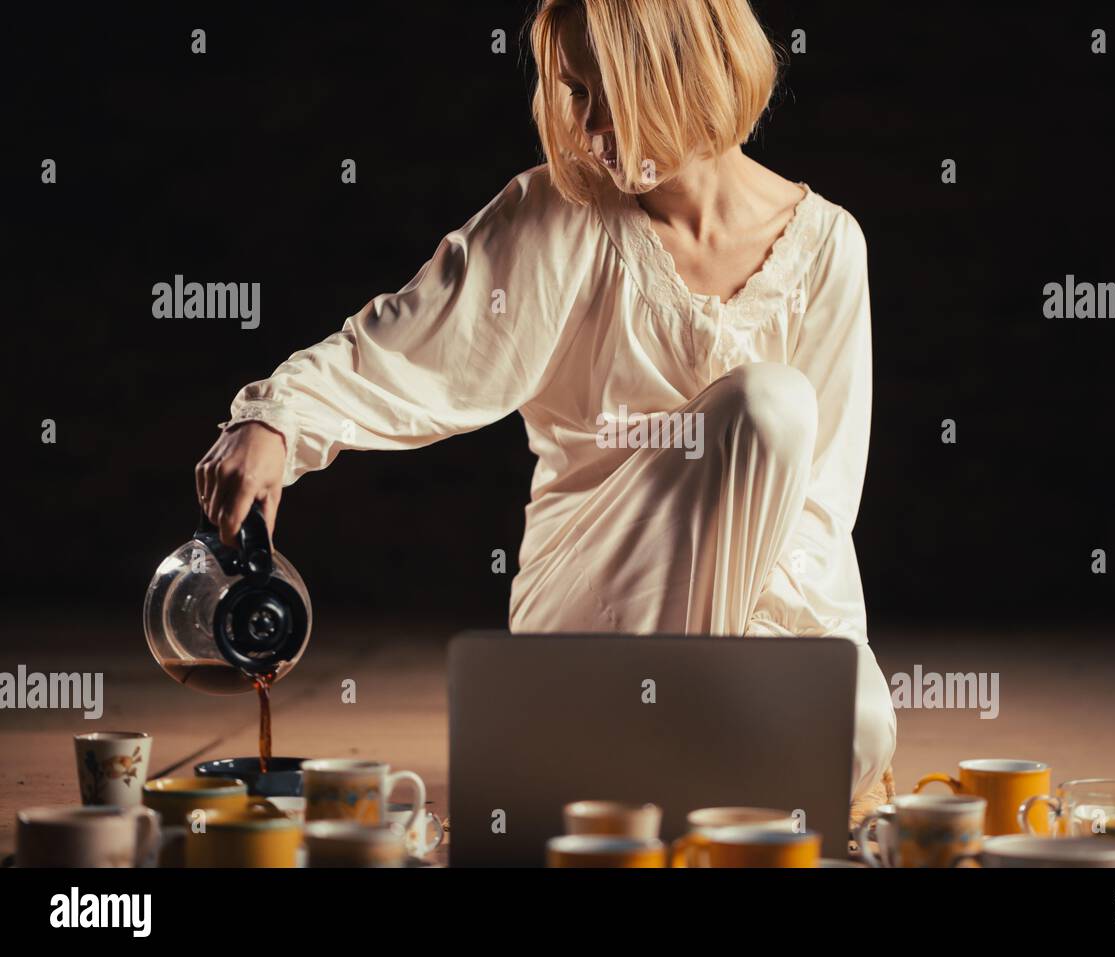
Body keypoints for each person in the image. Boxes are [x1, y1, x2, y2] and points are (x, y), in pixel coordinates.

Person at [194, 0, 896, 828]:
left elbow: (818, 517)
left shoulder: (828, 248)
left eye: (607, 91)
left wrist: (799, 675)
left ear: (685, 70)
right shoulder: (560, 215)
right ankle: (671, 775)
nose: (590, 125)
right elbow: (397, 347)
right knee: (765, 404)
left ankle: (653, 768)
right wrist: (274, 420)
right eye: (575, 92)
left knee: (858, 728)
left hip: (763, 610)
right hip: (594, 610)